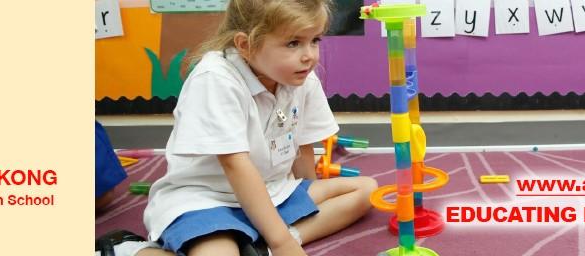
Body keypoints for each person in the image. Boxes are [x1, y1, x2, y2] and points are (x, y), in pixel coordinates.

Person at [96, 0, 376, 255]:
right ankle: (131, 250)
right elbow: (235, 165)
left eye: (314, 40)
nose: (309, 55)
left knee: (366, 190)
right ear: (245, 45)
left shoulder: (301, 77)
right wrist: (283, 243)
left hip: (273, 191)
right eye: (293, 43)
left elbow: (304, 148)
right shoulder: (215, 78)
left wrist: (301, 207)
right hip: (206, 199)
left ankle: (261, 246)